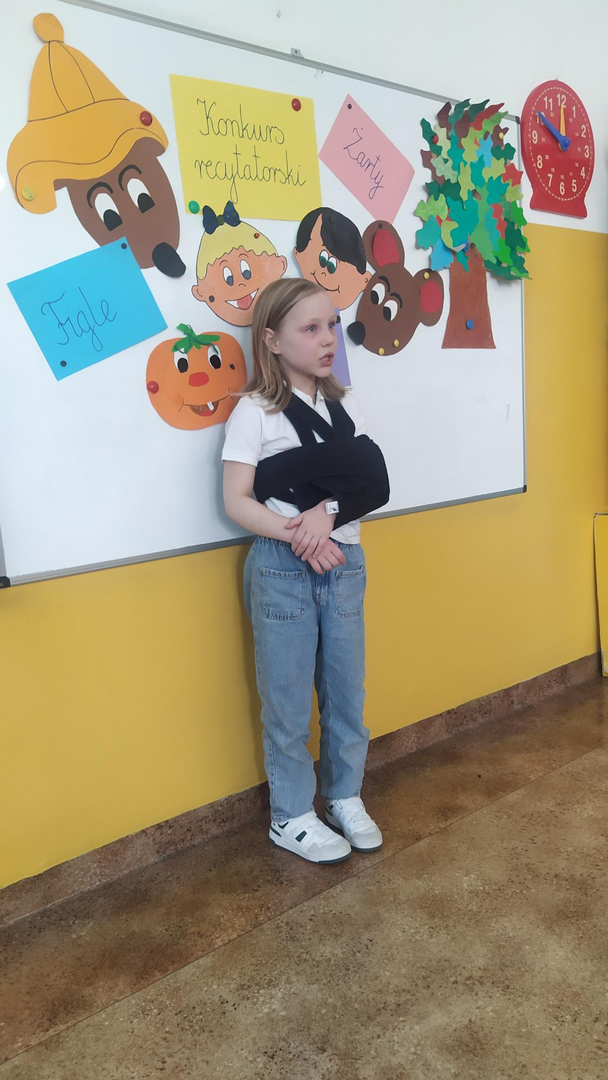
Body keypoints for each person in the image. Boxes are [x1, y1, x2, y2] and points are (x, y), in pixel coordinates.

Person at [222, 277, 390, 864]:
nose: (327, 340)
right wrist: (301, 531)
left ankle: (345, 796)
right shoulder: (255, 412)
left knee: (346, 694)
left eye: (332, 326)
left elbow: (374, 484)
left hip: (344, 565)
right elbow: (238, 500)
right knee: (288, 701)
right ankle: (290, 815)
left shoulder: (345, 405)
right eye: (310, 328)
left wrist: (328, 510)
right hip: (282, 569)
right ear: (271, 339)